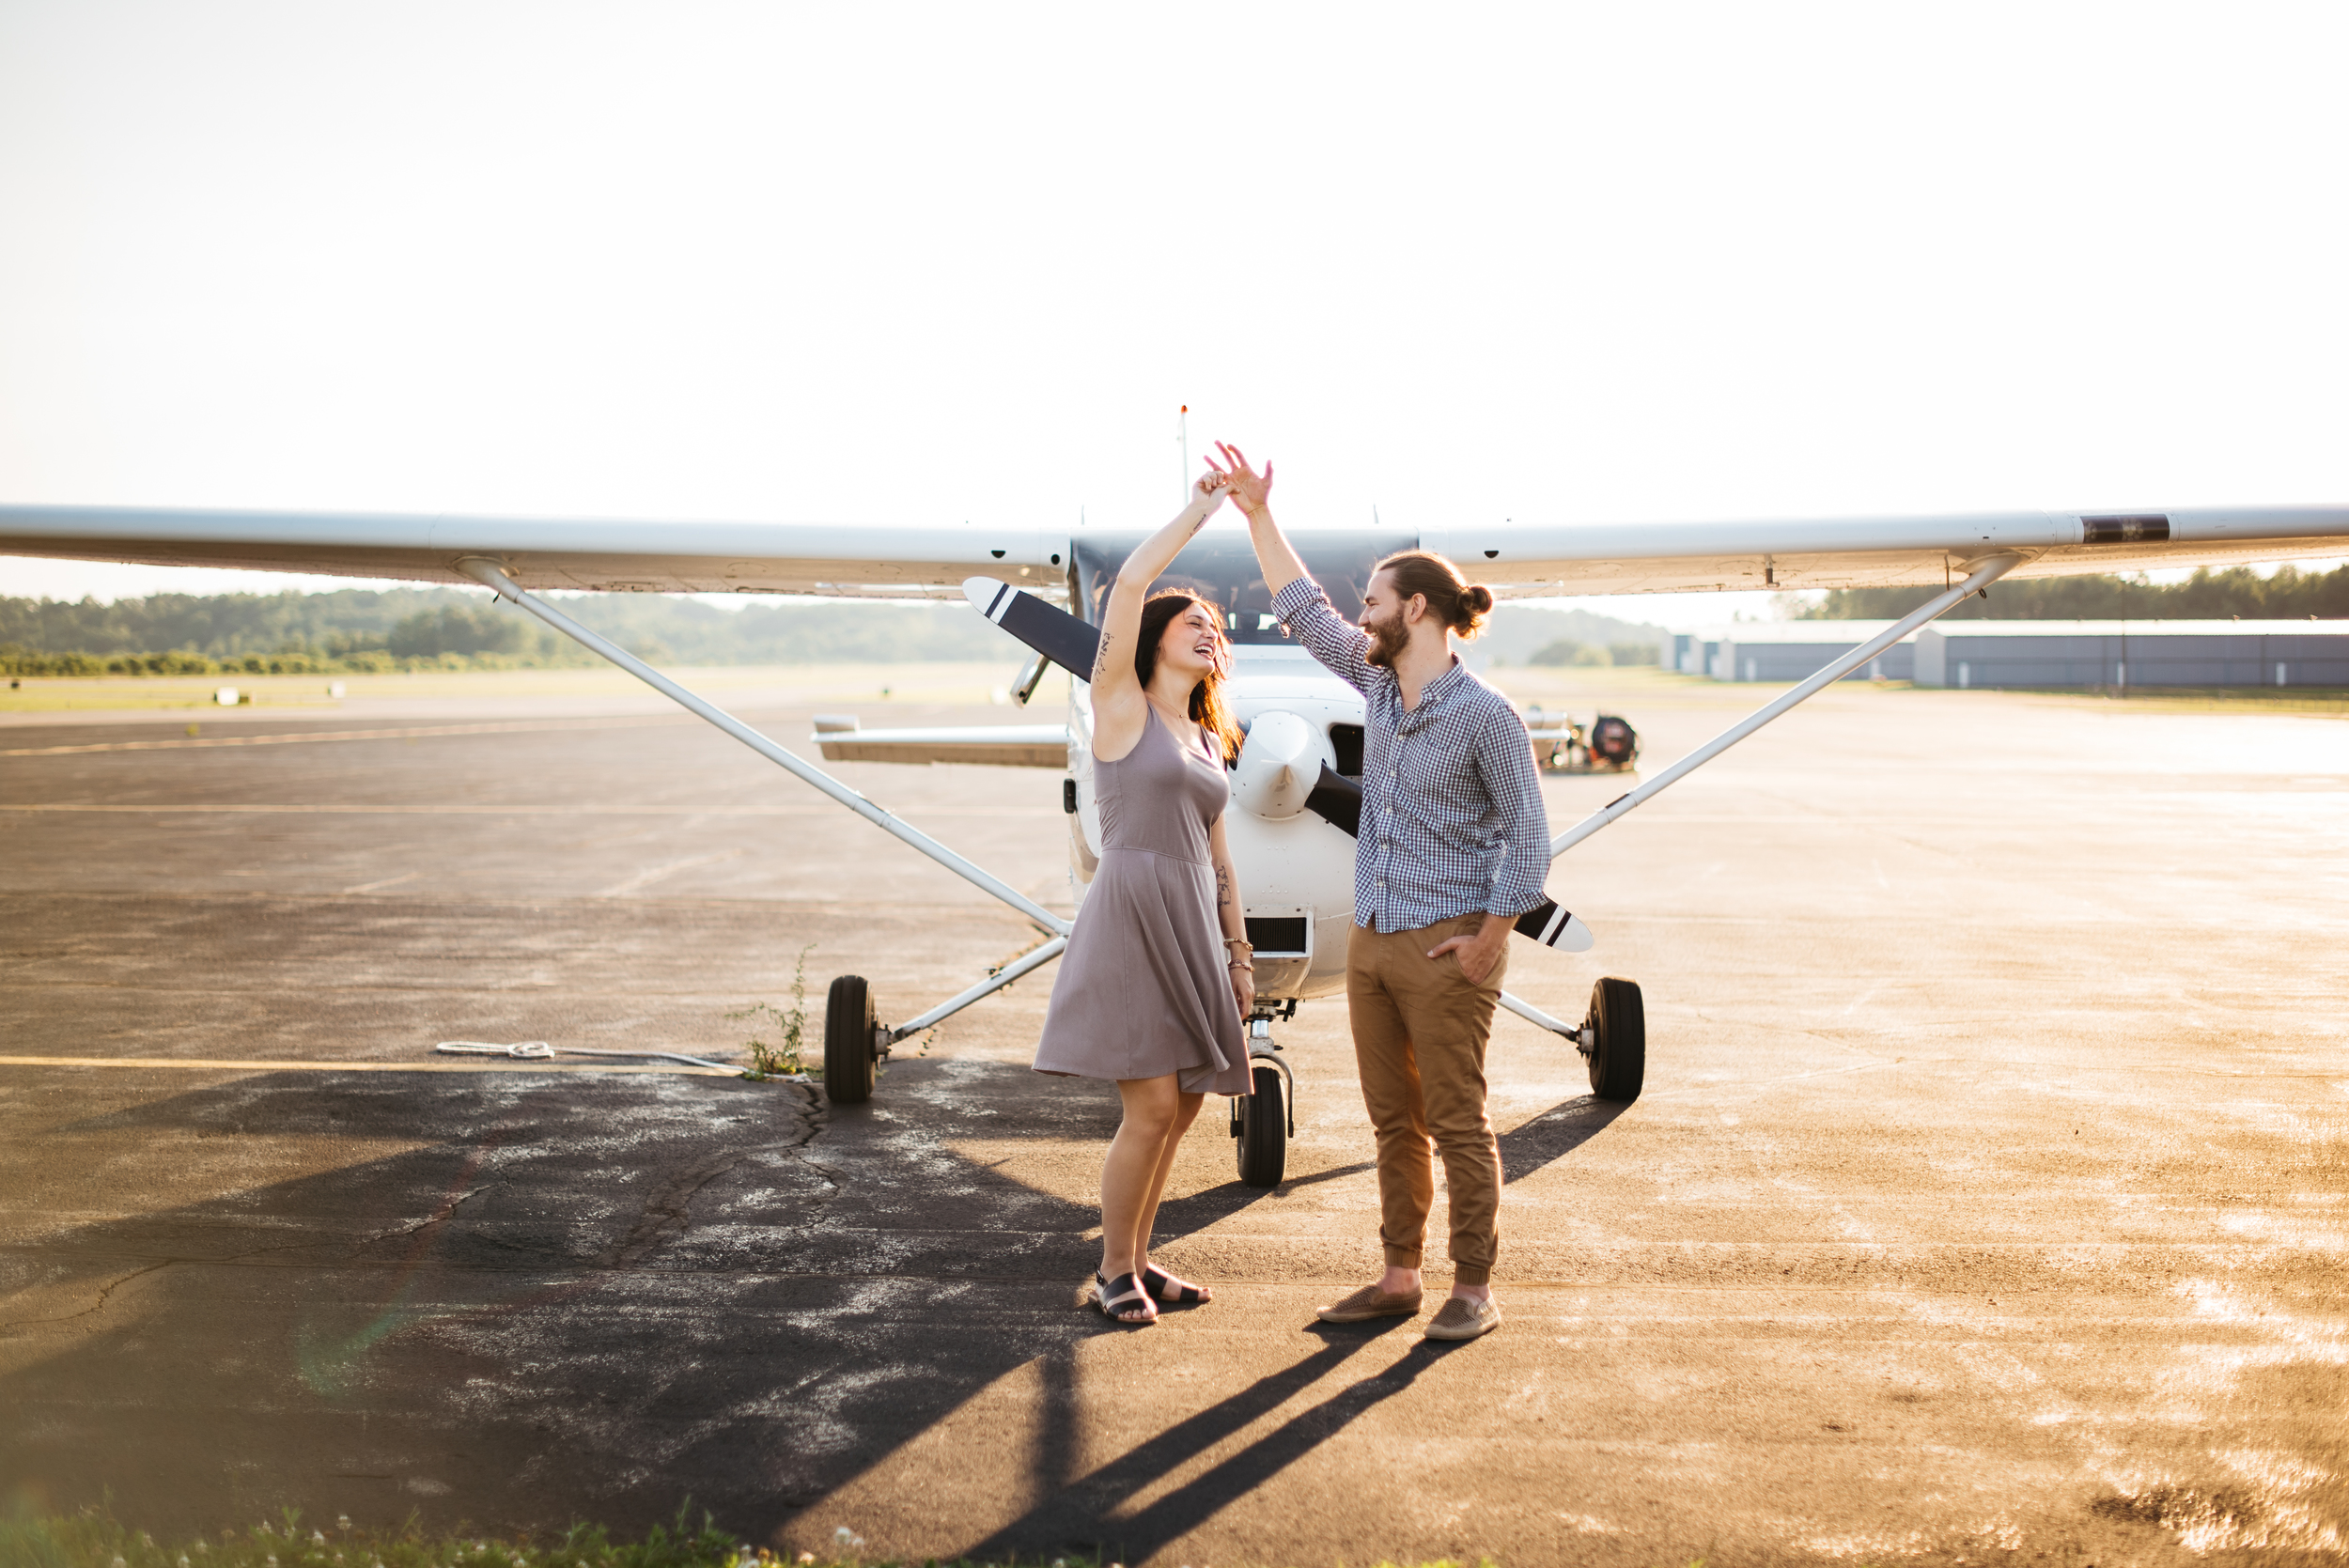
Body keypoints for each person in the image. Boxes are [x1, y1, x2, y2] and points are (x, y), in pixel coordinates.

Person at [1213, 442, 1550, 1343]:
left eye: (1372, 600)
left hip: (1447, 944)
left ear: (1417, 608)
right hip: (1368, 940)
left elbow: (1529, 837)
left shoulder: (1486, 715)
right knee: (1392, 1120)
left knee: (1457, 1120)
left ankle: (1472, 1286)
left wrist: (1491, 938)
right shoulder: (1374, 684)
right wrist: (1256, 514)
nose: (1358, 614)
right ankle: (1400, 1274)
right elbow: (1301, 608)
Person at [1032, 466, 1256, 1327]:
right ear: (1155, 636)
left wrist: (1240, 957)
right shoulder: (1119, 706)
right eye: (1194, 621)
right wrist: (1200, 512)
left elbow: (1220, 856)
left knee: (1186, 1105)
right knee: (1152, 1103)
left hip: (1196, 919)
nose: (1210, 632)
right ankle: (1109, 1271)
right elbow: (1128, 582)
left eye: (1216, 627)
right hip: (1132, 911)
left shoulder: (1208, 736)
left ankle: (1138, 1259)